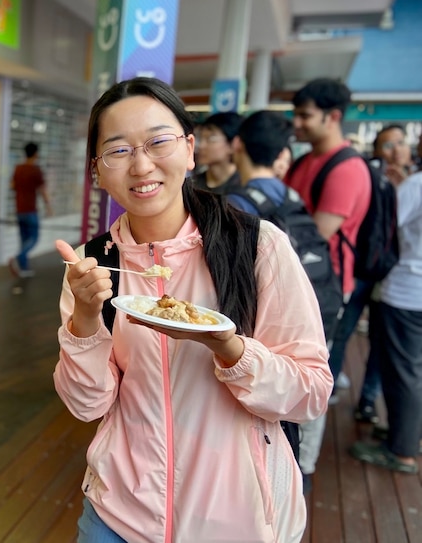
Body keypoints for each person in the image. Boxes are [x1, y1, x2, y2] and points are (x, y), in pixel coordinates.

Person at [54, 77, 331, 542]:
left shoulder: (257, 246)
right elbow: (86, 406)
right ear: (97, 170)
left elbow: (310, 392)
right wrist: (85, 317)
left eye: (158, 142)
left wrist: (230, 349)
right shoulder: (91, 263)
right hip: (118, 517)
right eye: (118, 151)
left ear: (189, 150)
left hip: (239, 522)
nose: (141, 165)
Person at [284, 78, 371, 491]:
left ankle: (303, 468)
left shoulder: (347, 169)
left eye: (305, 115)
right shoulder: (305, 162)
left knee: (313, 376)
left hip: (325, 290)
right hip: (296, 283)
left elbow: (314, 234)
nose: (297, 124)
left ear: (332, 117)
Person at [349, 168, 422, 474]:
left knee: (402, 372)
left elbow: (388, 224)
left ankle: (401, 450)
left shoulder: (416, 185)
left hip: (408, 290)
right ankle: (406, 434)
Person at [10, 142, 52, 277]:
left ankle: (24, 268)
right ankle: (19, 257)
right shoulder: (36, 170)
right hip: (30, 210)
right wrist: (48, 207)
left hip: (19, 209)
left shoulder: (18, 168)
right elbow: (43, 190)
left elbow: (12, 186)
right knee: (34, 238)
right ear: (35, 154)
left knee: (23, 240)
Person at [190, 111, 243, 195]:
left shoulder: (243, 186)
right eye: (200, 138)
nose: (201, 145)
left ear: (233, 144)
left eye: (211, 139)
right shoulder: (192, 185)